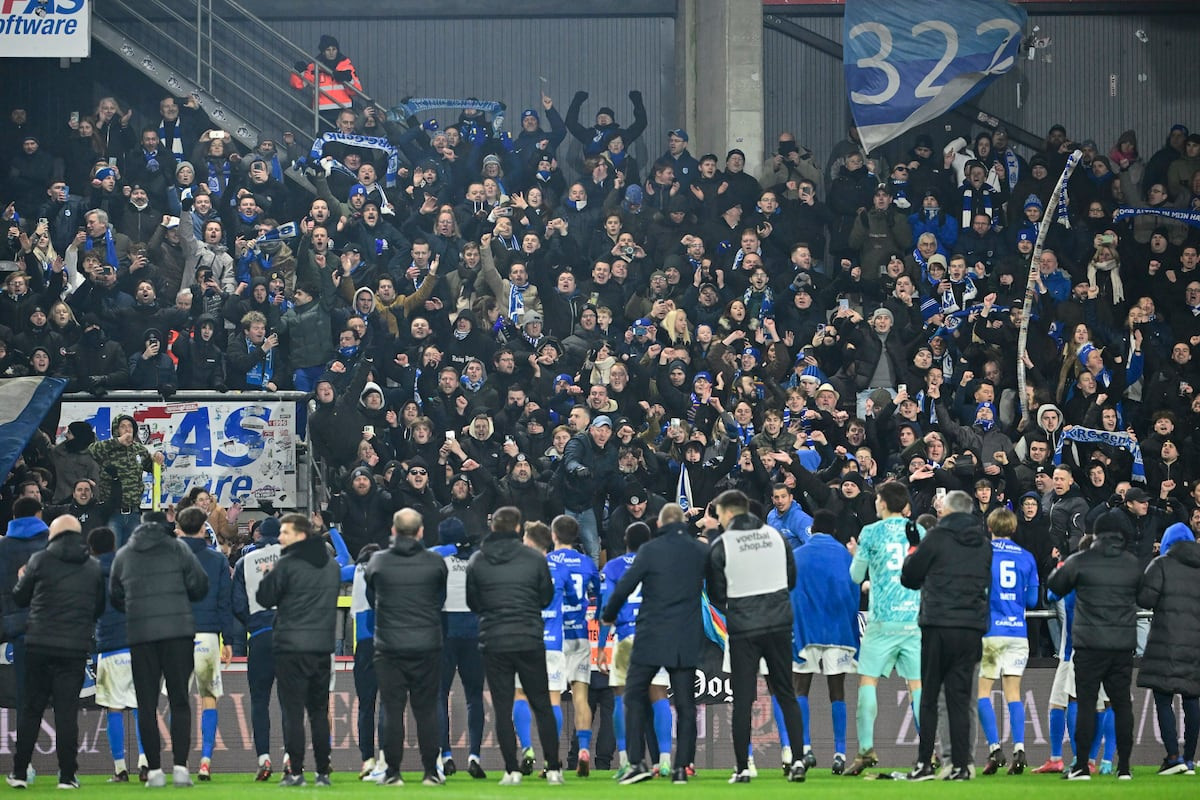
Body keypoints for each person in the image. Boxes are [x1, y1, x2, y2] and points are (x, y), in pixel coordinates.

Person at [601, 503, 708, 785]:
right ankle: (680, 768)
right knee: (685, 705)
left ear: (659, 525)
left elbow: (624, 587)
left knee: (633, 695)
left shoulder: (650, 550)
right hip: (684, 636)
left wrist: (609, 615)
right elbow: (718, 588)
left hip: (649, 636)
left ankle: (636, 764)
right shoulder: (699, 550)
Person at [707, 489, 809, 784]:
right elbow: (791, 579)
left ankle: (742, 768)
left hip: (744, 627)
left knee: (743, 700)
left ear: (727, 513)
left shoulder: (722, 544)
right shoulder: (775, 536)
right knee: (786, 694)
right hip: (778, 624)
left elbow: (715, 593)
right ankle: (798, 761)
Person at [109, 511, 209, 788]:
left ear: (140, 526)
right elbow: (200, 586)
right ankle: (180, 768)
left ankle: (153, 771)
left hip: (141, 634)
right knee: (179, 701)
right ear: (164, 525)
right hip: (178, 632)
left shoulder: (125, 554)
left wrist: (134, 608)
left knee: (146, 704)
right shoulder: (179, 549)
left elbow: (115, 596)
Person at [465, 506, 563, 786]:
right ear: (518, 528)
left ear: (493, 527)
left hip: (494, 640)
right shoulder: (534, 559)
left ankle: (511, 770)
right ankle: (553, 768)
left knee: (503, 706)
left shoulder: (477, 561)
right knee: (542, 704)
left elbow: (474, 603)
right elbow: (546, 598)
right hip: (529, 637)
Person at [900, 489, 993, 781]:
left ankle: (925, 764)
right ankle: (962, 766)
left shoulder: (936, 538)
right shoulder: (984, 544)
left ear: (947, 512)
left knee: (929, 696)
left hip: (938, 624)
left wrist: (914, 548)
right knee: (960, 698)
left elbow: (910, 578)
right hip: (970, 628)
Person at [6, 515, 104, 790]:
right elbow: (99, 607)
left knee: (31, 710)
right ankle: (67, 776)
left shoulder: (39, 560)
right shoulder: (93, 566)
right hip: (73, 648)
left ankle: (20, 773)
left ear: (54, 534)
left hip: (38, 645)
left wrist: (21, 579)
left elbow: (20, 597)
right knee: (66, 713)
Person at [1046, 510, 1141, 780]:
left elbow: (1054, 585)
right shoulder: (1131, 563)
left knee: (1086, 703)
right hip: (1122, 645)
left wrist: (1062, 565)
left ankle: (1081, 766)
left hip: (1089, 645)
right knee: (1122, 705)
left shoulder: (1081, 560)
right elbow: (1145, 596)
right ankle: (1123, 768)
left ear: (1095, 533)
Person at [256, 513, 341, 787]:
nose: (280, 537)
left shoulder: (286, 564)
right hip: (322, 647)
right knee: (318, 711)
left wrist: (269, 577)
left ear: (301, 535)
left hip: (291, 647)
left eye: (285, 533)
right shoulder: (330, 566)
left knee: (292, 711)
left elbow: (264, 597)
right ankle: (323, 772)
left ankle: (295, 772)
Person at [844, 481, 924, 776]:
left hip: (881, 621)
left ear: (882, 503)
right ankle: (929, 750)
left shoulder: (870, 532)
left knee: (868, 683)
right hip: (912, 619)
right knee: (917, 687)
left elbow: (855, 577)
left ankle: (865, 750)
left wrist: (855, 555)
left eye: (877, 499)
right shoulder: (918, 531)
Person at [365, 509, 449, 786]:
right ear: (421, 531)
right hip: (427, 645)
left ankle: (392, 773)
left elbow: (371, 596)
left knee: (391, 709)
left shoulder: (378, 562)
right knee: (426, 710)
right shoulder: (435, 562)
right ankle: (430, 772)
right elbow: (440, 599)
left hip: (389, 647)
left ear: (393, 531)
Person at [790, 508, 860, 774]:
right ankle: (840, 753)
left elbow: (790, 594)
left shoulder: (797, 556)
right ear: (834, 530)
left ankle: (805, 749)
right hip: (837, 631)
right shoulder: (845, 556)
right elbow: (854, 596)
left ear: (813, 529)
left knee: (801, 688)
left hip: (806, 632)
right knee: (837, 691)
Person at [976, 508, 1039, 775]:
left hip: (992, 632)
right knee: (1013, 693)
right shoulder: (1027, 557)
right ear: (1014, 529)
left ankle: (994, 748)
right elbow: (1034, 601)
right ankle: (1020, 748)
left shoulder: (983, 554)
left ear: (990, 528)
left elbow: (978, 592)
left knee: (983, 693)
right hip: (1017, 633)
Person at [176, 506, 235, 782]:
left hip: (177, 635)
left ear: (179, 527)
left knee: (178, 701)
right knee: (208, 698)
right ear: (203, 528)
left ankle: (180, 761)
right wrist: (229, 640)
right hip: (208, 635)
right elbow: (225, 602)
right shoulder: (217, 560)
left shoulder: (169, 557)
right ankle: (205, 760)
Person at [1137, 523, 1200, 775]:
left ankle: (1173, 757)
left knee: (1163, 698)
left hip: (1165, 641)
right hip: (1196, 644)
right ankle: (1189, 759)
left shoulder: (1161, 564)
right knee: (1192, 698)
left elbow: (1145, 599)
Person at [429, 517, 487, 780]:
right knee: (475, 696)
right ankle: (474, 755)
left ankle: (445, 754)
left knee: (440, 694)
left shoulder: (437, 557)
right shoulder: (477, 557)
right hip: (473, 628)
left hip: (445, 629)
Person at [89, 525, 147, 782]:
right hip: (135, 643)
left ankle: (120, 768)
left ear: (91, 548)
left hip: (109, 645)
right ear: (114, 545)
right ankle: (146, 762)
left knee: (113, 709)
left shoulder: (89, 572)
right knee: (139, 707)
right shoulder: (130, 565)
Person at [512, 521, 568, 777]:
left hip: (526, 639)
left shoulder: (520, 566)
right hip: (554, 641)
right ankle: (551, 759)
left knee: (520, 695)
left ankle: (527, 749)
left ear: (530, 540)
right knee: (552, 699)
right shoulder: (560, 568)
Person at [547, 515, 601, 777]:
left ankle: (552, 758)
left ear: (554, 535)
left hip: (555, 636)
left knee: (553, 697)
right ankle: (583, 749)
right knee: (581, 696)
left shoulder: (547, 562)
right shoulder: (587, 563)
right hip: (580, 635)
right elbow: (597, 596)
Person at [231, 516, 283, 781]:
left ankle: (264, 758)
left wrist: (254, 624)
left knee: (260, 700)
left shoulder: (244, 562)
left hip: (261, 635)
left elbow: (237, 603)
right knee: (290, 700)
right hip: (289, 635)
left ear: (259, 534)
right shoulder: (291, 556)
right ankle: (291, 758)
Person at [0, 496, 49, 720]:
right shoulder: (50, 543)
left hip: (16, 625)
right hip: (50, 625)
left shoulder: (3, 547)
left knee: (24, 691)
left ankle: (25, 748)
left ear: (14, 516)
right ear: (38, 514)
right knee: (55, 691)